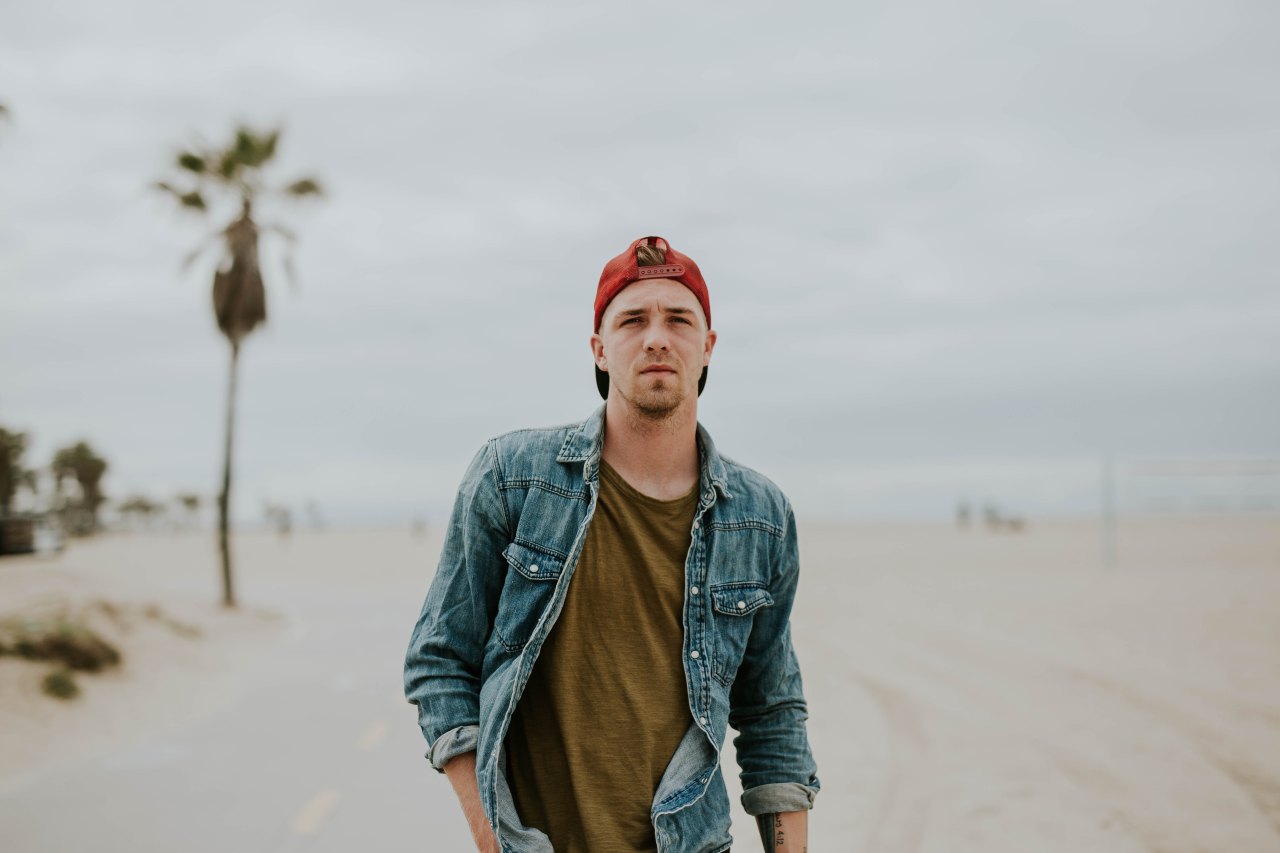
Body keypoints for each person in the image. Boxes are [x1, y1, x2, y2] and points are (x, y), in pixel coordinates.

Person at [404, 235, 819, 852]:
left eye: (679, 319)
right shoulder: (512, 477)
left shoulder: (761, 517)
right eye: (633, 320)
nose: (657, 337)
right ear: (600, 350)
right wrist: (493, 840)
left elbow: (772, 713)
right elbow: (440, 661)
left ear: (707, 348)